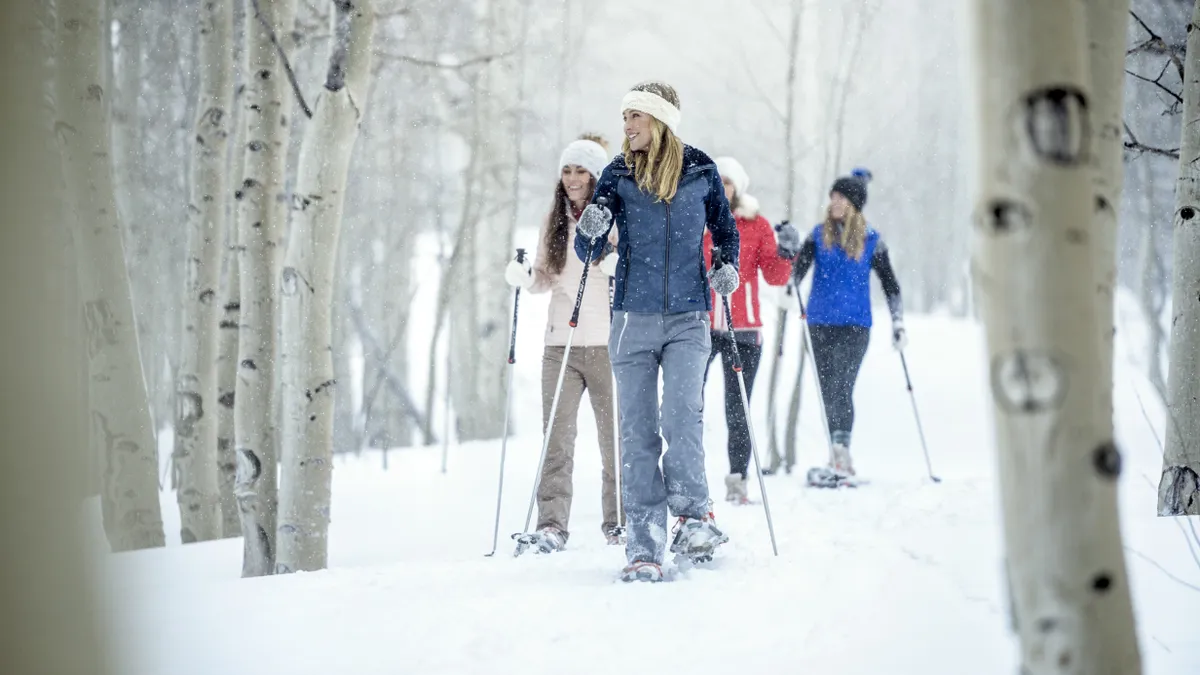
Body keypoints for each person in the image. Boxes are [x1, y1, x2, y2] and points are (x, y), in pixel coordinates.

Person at [574, 81, 741, 583]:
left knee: (681, 419)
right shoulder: (618, 173)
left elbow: (725, 228)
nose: (626, 127)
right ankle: (643, 539)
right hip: (631, 318)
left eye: (635, 118)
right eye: (624, 117)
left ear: (660, 121)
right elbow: (590, 254)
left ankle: (693, 519)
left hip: (690, 315)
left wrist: (726, 265)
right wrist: (591, 227)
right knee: (637, 432)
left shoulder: (700, 169)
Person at [504, 134, 622, 553]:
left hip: (610, 346)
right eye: (566, 170)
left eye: (580, 171)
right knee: (556, 439)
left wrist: (615, 265)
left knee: (616, 441)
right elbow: (546, 276)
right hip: (561, 345)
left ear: (596, 176)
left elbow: (632, 274)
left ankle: (618, 522)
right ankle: (552, 525)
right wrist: (525, 278)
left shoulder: (616, 217)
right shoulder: (553, 219)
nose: (572, 179)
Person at [788, 169, 906, 481]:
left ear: (853, 203)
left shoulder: (872, 241)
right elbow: (795, 272)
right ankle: (837, 453)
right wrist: (789, 272)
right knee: (828, 389)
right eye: (832, 197)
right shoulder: (817, 235)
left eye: (839, 197)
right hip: (819, 323)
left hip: (855, 326)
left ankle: (842, 450)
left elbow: (891, 285)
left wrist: (898, 322)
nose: (833, 202)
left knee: (842, 385)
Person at [702, 156, 801, 504]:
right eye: (718, 180)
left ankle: (737, 479)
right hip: (698, 325)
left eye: (728, 182)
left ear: (737, 188)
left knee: (737, 409)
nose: (722, 187)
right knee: (686, 405)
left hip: (742, 330)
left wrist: (788, 252)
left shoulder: (756, 225)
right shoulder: (697, 218)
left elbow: (775, 275)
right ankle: (687, 476)